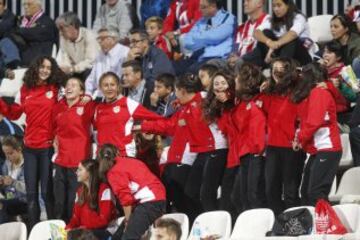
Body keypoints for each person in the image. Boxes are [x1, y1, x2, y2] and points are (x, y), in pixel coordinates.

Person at [0, 56, 66, 229]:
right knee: (31, 196)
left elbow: (66, 109)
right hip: (29, 148)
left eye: (48, 68)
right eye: (42, 66)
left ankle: (56, 231)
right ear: (35, 68)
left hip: (47, 147)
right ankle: (33, 232)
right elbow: (14, 113)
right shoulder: (25, 89)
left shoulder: (56, 88)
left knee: (45, 193)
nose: (45, 70)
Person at [292, 63, 342, 206]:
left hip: (328, 147)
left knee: (316, 193)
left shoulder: (319, 93)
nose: (300, 77)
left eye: (302, 75)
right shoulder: (311, 94)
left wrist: (300, 139)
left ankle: (329, 226)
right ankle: (317, 226)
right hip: (318, 150)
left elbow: (314, 122)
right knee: (307, 193)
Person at [261, 57, 306, 215]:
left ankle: (295, 226)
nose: (277, 72)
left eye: (282, 69)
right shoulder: (269, 94)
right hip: (273, 147)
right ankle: (280, 224)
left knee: (290, 193)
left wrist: (298, 138)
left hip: (292, 147)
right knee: (271, 191)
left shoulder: (299, 92)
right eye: (274, 69)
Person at [98, 144, 166, 240]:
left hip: (149, 202)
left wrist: (128, 221)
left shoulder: (113, 172)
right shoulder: (130, 161)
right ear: (117, 152)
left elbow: (126, 200)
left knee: (128, 237)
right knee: (117, 237)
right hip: (155, 199)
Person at [52, 76, 95, 222]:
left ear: (81, 91)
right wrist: (54, 138)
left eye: (74, 85)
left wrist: (88, 97)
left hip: (79, 161)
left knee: (73, 200)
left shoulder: (87, 105)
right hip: (61, 160)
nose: (69, 87)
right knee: (59, 201)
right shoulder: (58, 106)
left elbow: (99, 103)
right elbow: (53, 127)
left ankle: (73, 232)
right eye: (67, 84)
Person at [94, 72, 161, 158]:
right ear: (100, 88)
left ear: (118, 86)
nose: (109, 88)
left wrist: (143, 127)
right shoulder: (98, 108)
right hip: (102, 157)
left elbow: (155, 118)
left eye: (112, 85)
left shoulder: (129, 104)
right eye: (106, 85)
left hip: (123, 155)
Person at [175, 0, 236, 75]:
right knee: (173, 68)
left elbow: (216, 36)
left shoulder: (228, 18)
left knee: (191, 72)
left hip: (217, 58)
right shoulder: (201, 21)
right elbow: (187, 41)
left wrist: (198, 37)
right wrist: (208, 37)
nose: (200, 10)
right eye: (199, 7)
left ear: (213, 6)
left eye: (203, 7)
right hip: (198, 57)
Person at [247, 0, 312, 68]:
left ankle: (278, 66)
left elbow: (293, 34)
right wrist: (269, 42)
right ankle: (255, 62)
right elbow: (256, 32)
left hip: (301, 58)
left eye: (279, 5)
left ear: (288, 5)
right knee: (266, 33)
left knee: (290, 40)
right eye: (274, 6)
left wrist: (275, 45)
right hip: (280, 54)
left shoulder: (298, 17)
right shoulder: (272, 20)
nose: (276, 9)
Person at [66, 159, 116, 240]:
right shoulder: (80, 191)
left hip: (104, 231)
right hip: (85, 232)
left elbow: (104, 220)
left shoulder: (104, 190)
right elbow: (76, 218)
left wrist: (84, 228)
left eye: (80, 169)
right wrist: (68, 228)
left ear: (89, 173)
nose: (76, 172)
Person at [8, 0, 58, 66]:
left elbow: (33, 34)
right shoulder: (21, 20)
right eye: (24, 4)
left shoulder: (47, 22)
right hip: (22, 61)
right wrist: (24, 30)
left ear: (38, 6)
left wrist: (20, 30)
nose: (25, 7)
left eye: (29, 4)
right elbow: (10, 32)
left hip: (38, 64)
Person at [85, 28, 129, 99]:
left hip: (117, 96)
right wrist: (88, 94)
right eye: (99, 39)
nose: (100, 42)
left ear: (114, 39)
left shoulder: (124, 53)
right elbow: (92, 78)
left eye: (103, 38)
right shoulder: (99, 55)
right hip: (100, 95)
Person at [56, 12, 100, 80]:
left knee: (88, 72)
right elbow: (65, 57)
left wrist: (73, 69)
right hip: (74, 70)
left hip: (90, 71)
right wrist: (66, 68)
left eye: (62, 28)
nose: (60, 33)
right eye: (59, 29)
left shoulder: (89, 36)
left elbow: (91, 61)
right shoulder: (63, 38)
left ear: (72, 26)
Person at [228, 0, 270, 68]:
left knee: (238, 62)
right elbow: (236, 47)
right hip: (240, 62)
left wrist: (240, 59)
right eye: (244, 1)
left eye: (248, 1)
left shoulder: (268, 21)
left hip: (256, 64)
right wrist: (233, 56)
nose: (245, 4)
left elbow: (260, 52)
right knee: (214, 63)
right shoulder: (243, 26)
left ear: (259, 3)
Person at [0, 136, 26, 224]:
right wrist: (2, 184)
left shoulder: (28, 165)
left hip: (24, 201)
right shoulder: (6, 164)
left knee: (3, 205)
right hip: (10, 199)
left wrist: (13, 182)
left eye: (10, 153)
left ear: (19, 150)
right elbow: (6, 191)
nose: (7, 157)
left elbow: (29, 189)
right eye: (5, 153)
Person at [330, 14, 360, 78]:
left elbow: (356, 66)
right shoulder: (333, 44)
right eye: (331, 27)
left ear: (346, 28)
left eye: (336, 27)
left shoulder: (357, 43)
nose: (332, 30)